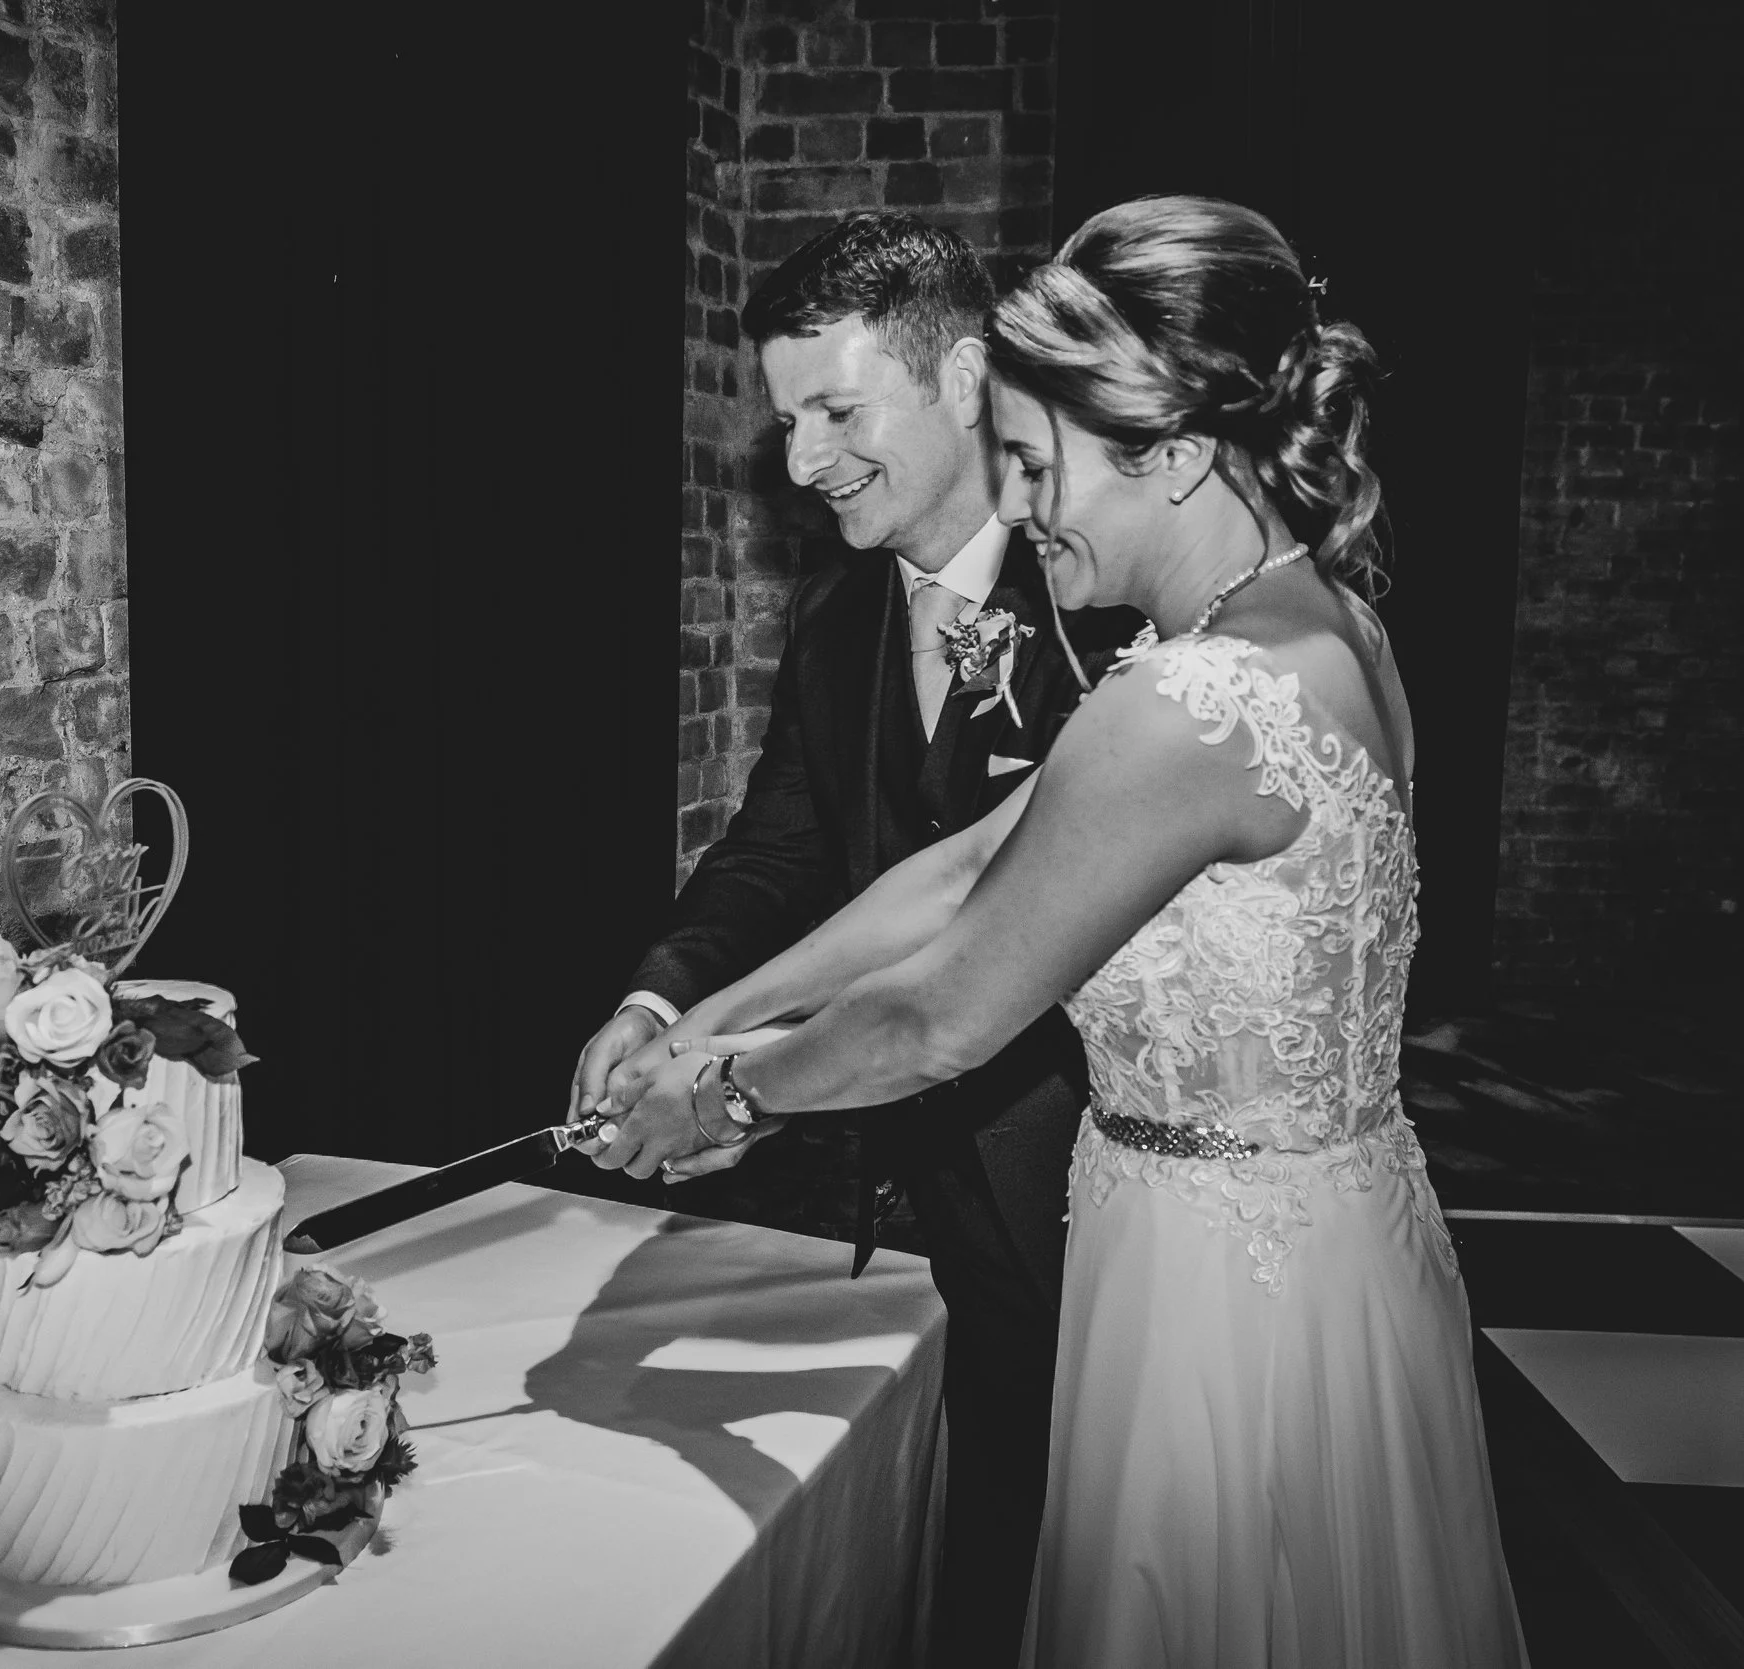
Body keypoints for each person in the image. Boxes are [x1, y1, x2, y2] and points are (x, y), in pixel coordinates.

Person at [595, 196, 1526, 1667]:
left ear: (1168, 449)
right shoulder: (1325, 627)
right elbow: (966, 868)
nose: (1020, 506)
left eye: (1037, 463)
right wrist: (696, 1019)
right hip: (1321, 1239)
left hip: (1220, 1295)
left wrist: (718, 1098)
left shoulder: (1187, 705)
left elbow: (942, 1012)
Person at [568, 210, 1138, 1668]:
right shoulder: (836, 628)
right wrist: (659, 999)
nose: (804, 460)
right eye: (787, 424)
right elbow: (776, 856)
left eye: (838, 410)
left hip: (1080, 1189)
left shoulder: (1113, 608)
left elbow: (997, 918)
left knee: (1107, 1556)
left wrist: (736, 1067)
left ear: (962, 384)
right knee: (949, 1548)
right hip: (888, 1196)